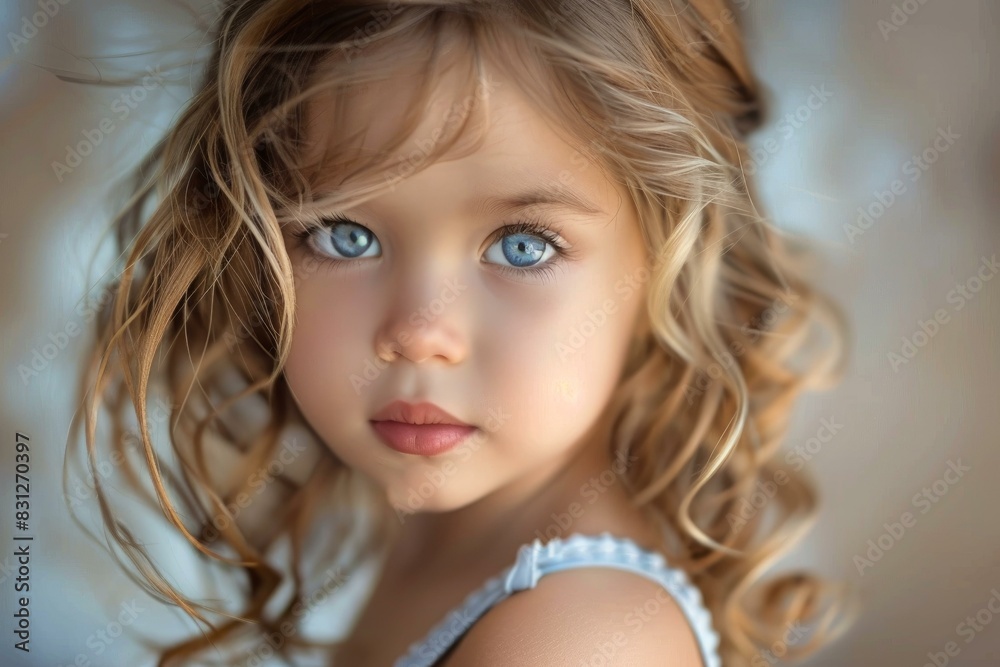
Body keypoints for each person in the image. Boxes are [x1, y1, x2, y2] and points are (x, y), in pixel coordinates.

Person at [71, 1, 855, 665]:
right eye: (344, 234)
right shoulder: (451, 537)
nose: (418, 334)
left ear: (668, 267)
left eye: (523, 246)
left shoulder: (577, 640)